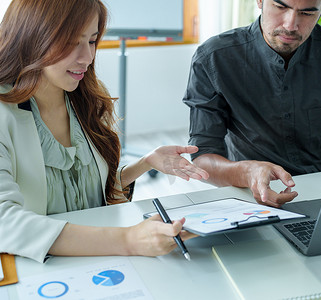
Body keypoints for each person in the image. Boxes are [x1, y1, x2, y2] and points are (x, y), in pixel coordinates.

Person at [0, 0, 209, 263]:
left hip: (98, 261)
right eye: (71, 42)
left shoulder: (82, 98)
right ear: (31, 37)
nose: (87, 57)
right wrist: (128, 241)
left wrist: (146, 162)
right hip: (37, 270)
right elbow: (4, 222)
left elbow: (87, 196)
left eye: (91, 41)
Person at [183, 0, 321, 208]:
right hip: (249, 194)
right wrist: (248, 172)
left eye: (306, 13)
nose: (291, 25)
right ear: (260, 1)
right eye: (281, 7)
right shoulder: (213, 58)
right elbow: (204, 155)